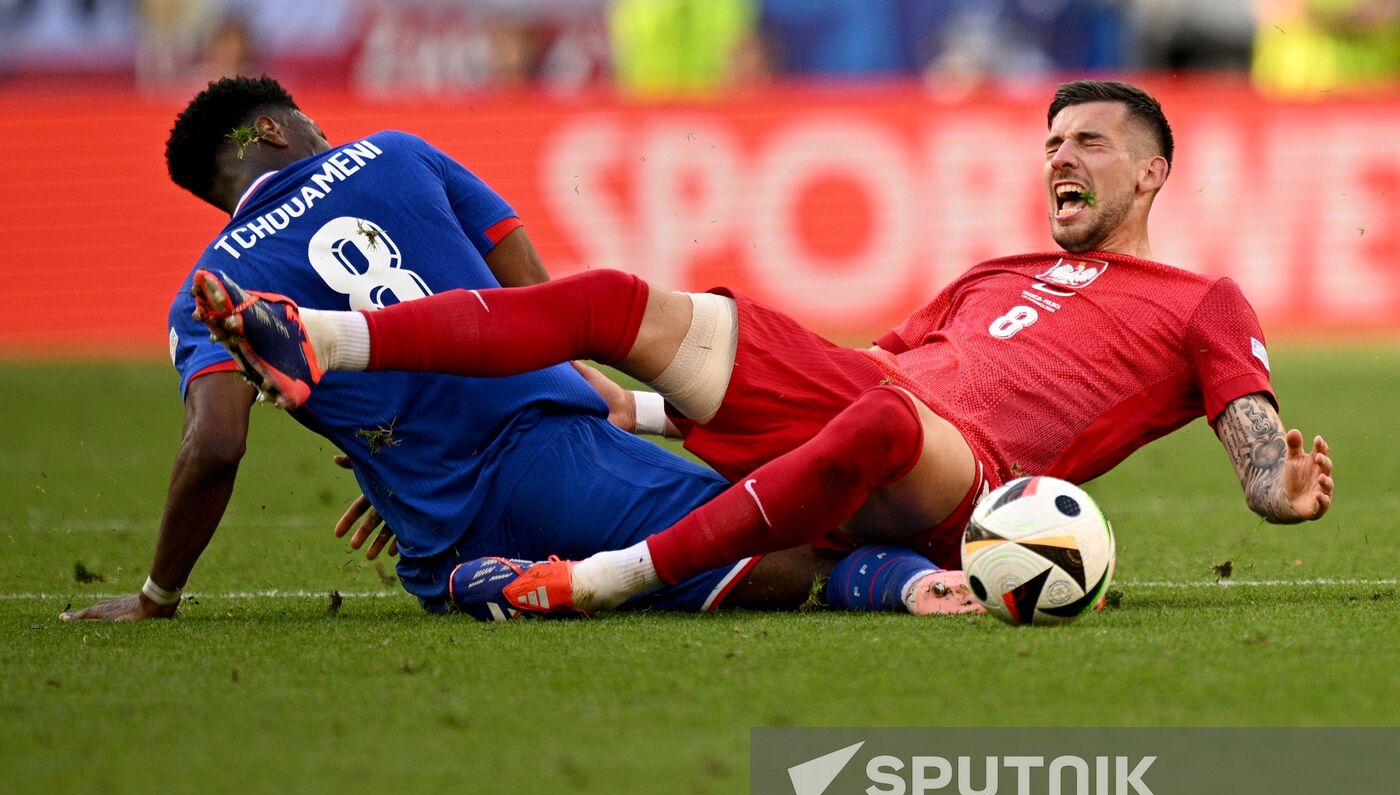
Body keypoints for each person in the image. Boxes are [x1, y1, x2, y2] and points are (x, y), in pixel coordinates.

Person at [195, 80, 1335, 618]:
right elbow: (861, 366)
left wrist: (1270, 485)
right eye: (1048, 142)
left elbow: (1247, 432)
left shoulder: (1199, 299)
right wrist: (625, 408)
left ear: (1151, 173)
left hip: (964, 476)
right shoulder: (988, 275)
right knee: (619, 302)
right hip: (862, 407)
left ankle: (591, 585)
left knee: (884, 424)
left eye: (1088, 142)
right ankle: (324, 338)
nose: (1057, 159)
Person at [62, 75, 953, 624]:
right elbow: (538, 301)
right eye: (308, 121)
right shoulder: (396, 154)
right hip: (551, 450)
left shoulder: (208, 286)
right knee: (792, 541)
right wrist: (591, 386)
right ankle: (931, 583)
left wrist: (157, 594)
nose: (326, 135)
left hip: (434, 527)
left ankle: (469, 581)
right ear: (270, 131)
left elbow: (214, 444)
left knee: (447, 515)